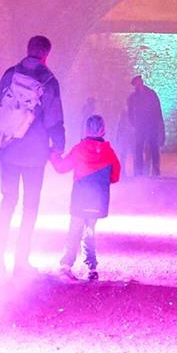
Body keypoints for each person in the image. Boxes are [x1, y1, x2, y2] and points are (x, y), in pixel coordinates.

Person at [0, 35, 65, 276]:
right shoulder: (49, 81)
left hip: (9, 149)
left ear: (28, 49)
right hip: (35, 154)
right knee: (30, 207)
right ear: (46, 54)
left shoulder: (11, 73)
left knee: (7, 203)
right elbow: (54, 118)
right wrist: (59, 143)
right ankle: (21, 261)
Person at [50, 115, 121, 281]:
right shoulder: (109, 153)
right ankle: (92, 268)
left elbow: (61, 168)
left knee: (74, 230)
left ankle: (66, 264)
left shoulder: (79, 149)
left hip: (79, 199)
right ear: (103, 130)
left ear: (86, 129)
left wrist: (52, 155)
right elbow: (115, 176)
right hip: (97, 200)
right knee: (89, 232)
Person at [127, 76, 165, 177]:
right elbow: (130, 112)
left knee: (153, 146)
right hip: (140, 125)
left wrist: (158, 122)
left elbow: (157, 109)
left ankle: (155, 169)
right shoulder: (133, 97)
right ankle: (139, 170)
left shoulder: (151, 94)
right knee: (139, 147)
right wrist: (133, 123)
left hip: (151, 124)